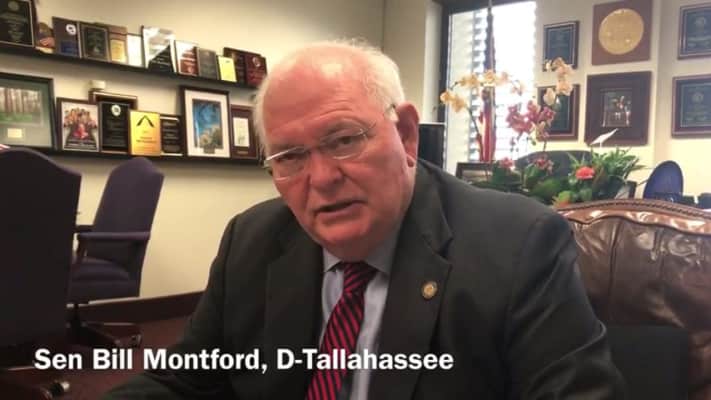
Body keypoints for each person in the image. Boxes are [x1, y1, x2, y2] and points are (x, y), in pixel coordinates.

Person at [104, 40, 624, 399]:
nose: (322, 178)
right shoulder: (251, 239)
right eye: (290, 157)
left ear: (406, 136)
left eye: (344, 140)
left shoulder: (518, 245)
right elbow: (186, 380)